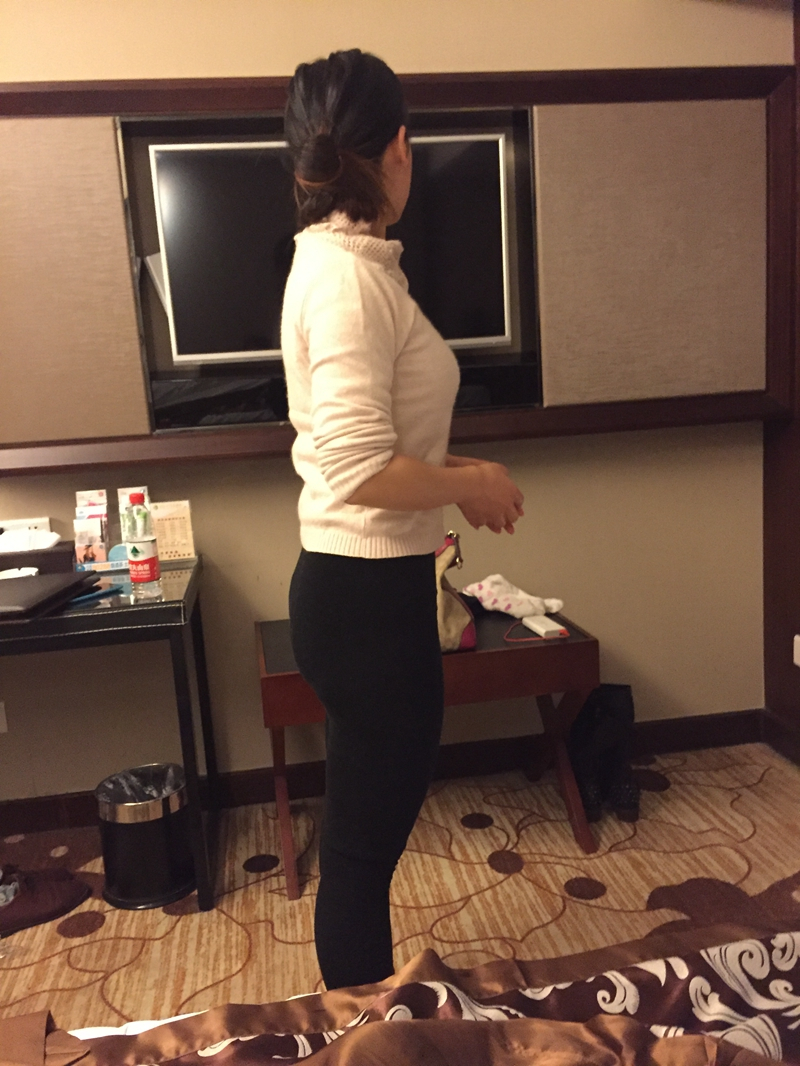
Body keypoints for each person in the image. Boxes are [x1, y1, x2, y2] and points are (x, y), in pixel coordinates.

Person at [282, 48, 524, 991]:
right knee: (358, 851)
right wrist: (469, 482)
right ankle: (360, 1033)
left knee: (362, 841)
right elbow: (357, 469)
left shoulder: (351, 268)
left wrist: (463, 477)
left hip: (364, 592)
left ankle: (363, 1016)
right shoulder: (346, 282)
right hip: (362, 601)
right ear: (398, 148)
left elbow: (372, 449)